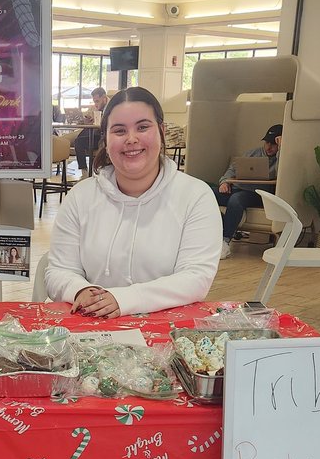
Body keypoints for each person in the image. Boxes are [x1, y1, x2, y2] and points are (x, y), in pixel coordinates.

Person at [44, 86, 221, 318]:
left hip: (166, 331)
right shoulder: (81, 197)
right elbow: (59, 270)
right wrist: (81, 290)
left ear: (162, 131)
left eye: (143, 127)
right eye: (119, 131)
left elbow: (196, 278)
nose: (131, 139)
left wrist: (124, 299)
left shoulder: (196, 196)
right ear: (106, 140)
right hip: (92, 323)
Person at [217, 124, 281, 259]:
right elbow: (232, 170)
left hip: (257, 194)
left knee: (236, 200)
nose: (269, 147)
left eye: (273, 144)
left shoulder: (282, 160)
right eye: (267, 143)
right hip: (236, 188)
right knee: (204, 193)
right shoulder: (251, 154)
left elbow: (282, 172)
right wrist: (224, 182)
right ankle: (220, 226)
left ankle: (225, 241)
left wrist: (281, 149)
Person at [73, 87, 108, 178]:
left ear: (104, 98)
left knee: (79, 141)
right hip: (94, 134)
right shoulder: (94, 108)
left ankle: (85, 173)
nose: (95, 104)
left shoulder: (112, 107)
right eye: (94, 101)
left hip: (104, 137)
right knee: (79, 139)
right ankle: (84, 171)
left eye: (97, 101)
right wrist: (86, 120)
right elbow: (86, 118)